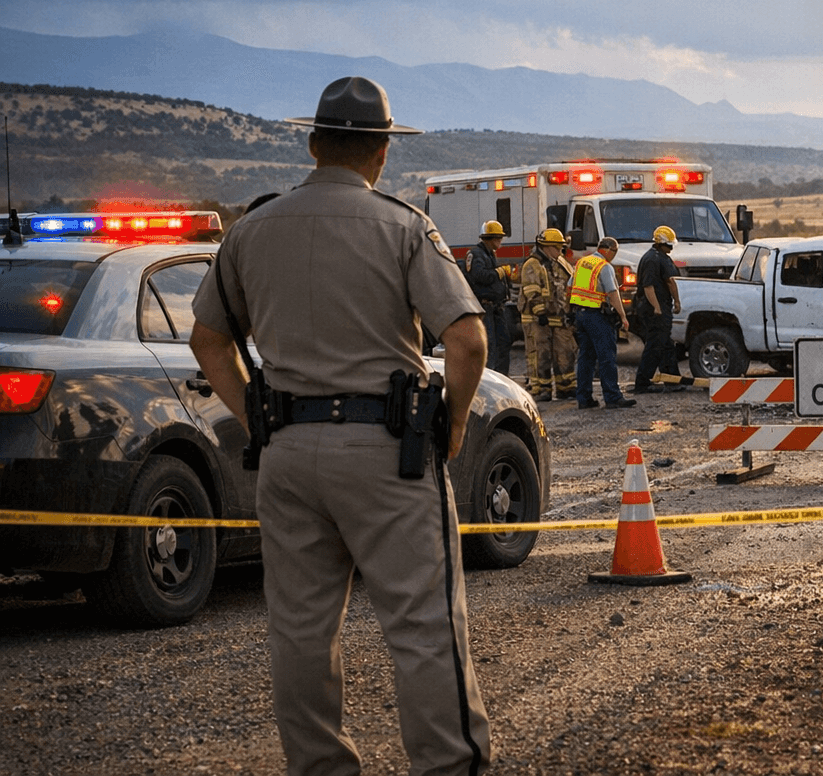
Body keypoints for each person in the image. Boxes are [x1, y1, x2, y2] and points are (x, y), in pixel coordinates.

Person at [188, 76, 492, 776]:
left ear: (312, 143)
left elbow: (209, 340)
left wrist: (258, 417)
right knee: (423, 629)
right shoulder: (404, 226)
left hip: (288, 455)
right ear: (382, 152)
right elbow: (468, 340)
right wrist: (450, 427)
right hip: (388, 455)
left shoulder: (252, 229)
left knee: (299, 631)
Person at [568, 236, 635, 409]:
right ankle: (612, 397)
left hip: (581, 315)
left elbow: (569, 287)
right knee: (606, 357)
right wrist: (623, 316)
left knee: (586, 358)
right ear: (608, 250)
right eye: (615, 252)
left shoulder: (582, 262)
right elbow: (612, 293)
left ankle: (584, 398)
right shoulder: (604, 267)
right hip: (597, 316)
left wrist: (570, 310)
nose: (614, 256)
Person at [519, 228, 577, 401]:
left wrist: (571, 310)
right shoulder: (532, 264)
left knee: (565, 352)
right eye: (557, 248)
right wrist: (540, 312)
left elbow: (569, 285)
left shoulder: (561, 262)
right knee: (539, 353)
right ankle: (540, 389)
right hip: (537, 319)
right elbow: (531, 291)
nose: (560, 251)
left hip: (559, 317)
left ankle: (566, 387)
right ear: (546, 246)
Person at [631, 224, 682, 394]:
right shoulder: (654, 259)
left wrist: (675, 301)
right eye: (669, 244)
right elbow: (649, 286)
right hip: (654, 310)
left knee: (666, 345)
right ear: (661, 243)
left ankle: (673, 379)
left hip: (660, 307)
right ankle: (643, 383)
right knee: (654, 347)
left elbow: (670, 281)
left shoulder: (659, 256)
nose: (671, 247)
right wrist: (658, 308)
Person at [465, 219, 514, 375]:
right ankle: (488, 378)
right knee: (489, 345)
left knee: (504, 342)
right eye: (498, 238)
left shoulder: (489, 254)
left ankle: (501, 377)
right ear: (490, 239)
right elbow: (478, 276)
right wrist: (498, 273)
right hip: (485, 307)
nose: (500, 241)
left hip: (496, 307)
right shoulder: (476, 254)